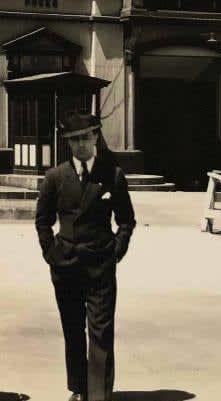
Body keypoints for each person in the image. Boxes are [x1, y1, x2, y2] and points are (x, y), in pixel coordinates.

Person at [35, 112, 136, 401]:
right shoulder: (55, 177)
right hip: (65, 264)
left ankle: (98, 395)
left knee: (101, 331)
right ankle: (79, 388)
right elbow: (43, 221)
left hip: (100, 265)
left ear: (95, 137)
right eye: (74, 140)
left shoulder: (112, 175)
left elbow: (126, 220)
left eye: (85, 137)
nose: (80, 144)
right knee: (72, 329)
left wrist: (115, 251)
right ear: (68, 143)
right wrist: (51, 253)